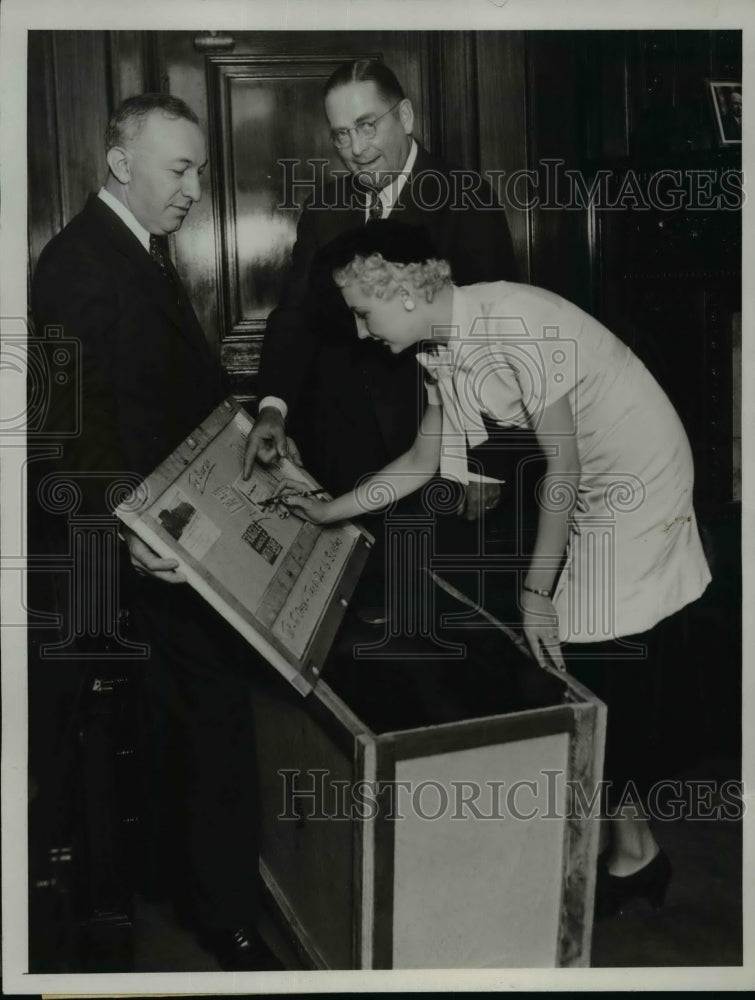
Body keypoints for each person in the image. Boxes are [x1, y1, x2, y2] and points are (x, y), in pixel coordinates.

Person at [273, 219, 712, 919]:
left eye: (362, 312)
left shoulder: (510, 321)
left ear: (404, 290)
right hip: (590, 480)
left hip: (636, 476)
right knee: (581, 672)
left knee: (578, 661)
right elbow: (422, 462)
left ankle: (619, 856)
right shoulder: (440, 345)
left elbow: (562, 466)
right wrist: (329, 510)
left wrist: (537, 591)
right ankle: (635, 851)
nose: (359, 331)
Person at [30, 93, 280, 970]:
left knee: (197, 712)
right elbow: (69, 427)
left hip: (174, 521)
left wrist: (252, 445)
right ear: (120, 162)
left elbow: (174, 390)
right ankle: (226, 918)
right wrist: (125, 525)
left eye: (200, 171)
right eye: (180, 170)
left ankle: (195, 889)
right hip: (137, 539)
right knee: (211, 714)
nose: (194, 189)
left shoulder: (136, 248)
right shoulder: (79, 262)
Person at [243, 59, 520, 618]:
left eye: (367, 126)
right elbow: (294, 317)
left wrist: (485, 463)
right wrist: (273, 408)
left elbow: (496, 336)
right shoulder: (324, 209)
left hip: (437, 451)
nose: (356, 149)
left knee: (437, 620)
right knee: (353, 622)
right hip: (339, 454)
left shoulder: (466, 198)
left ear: (406, 116)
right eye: (341, 134)